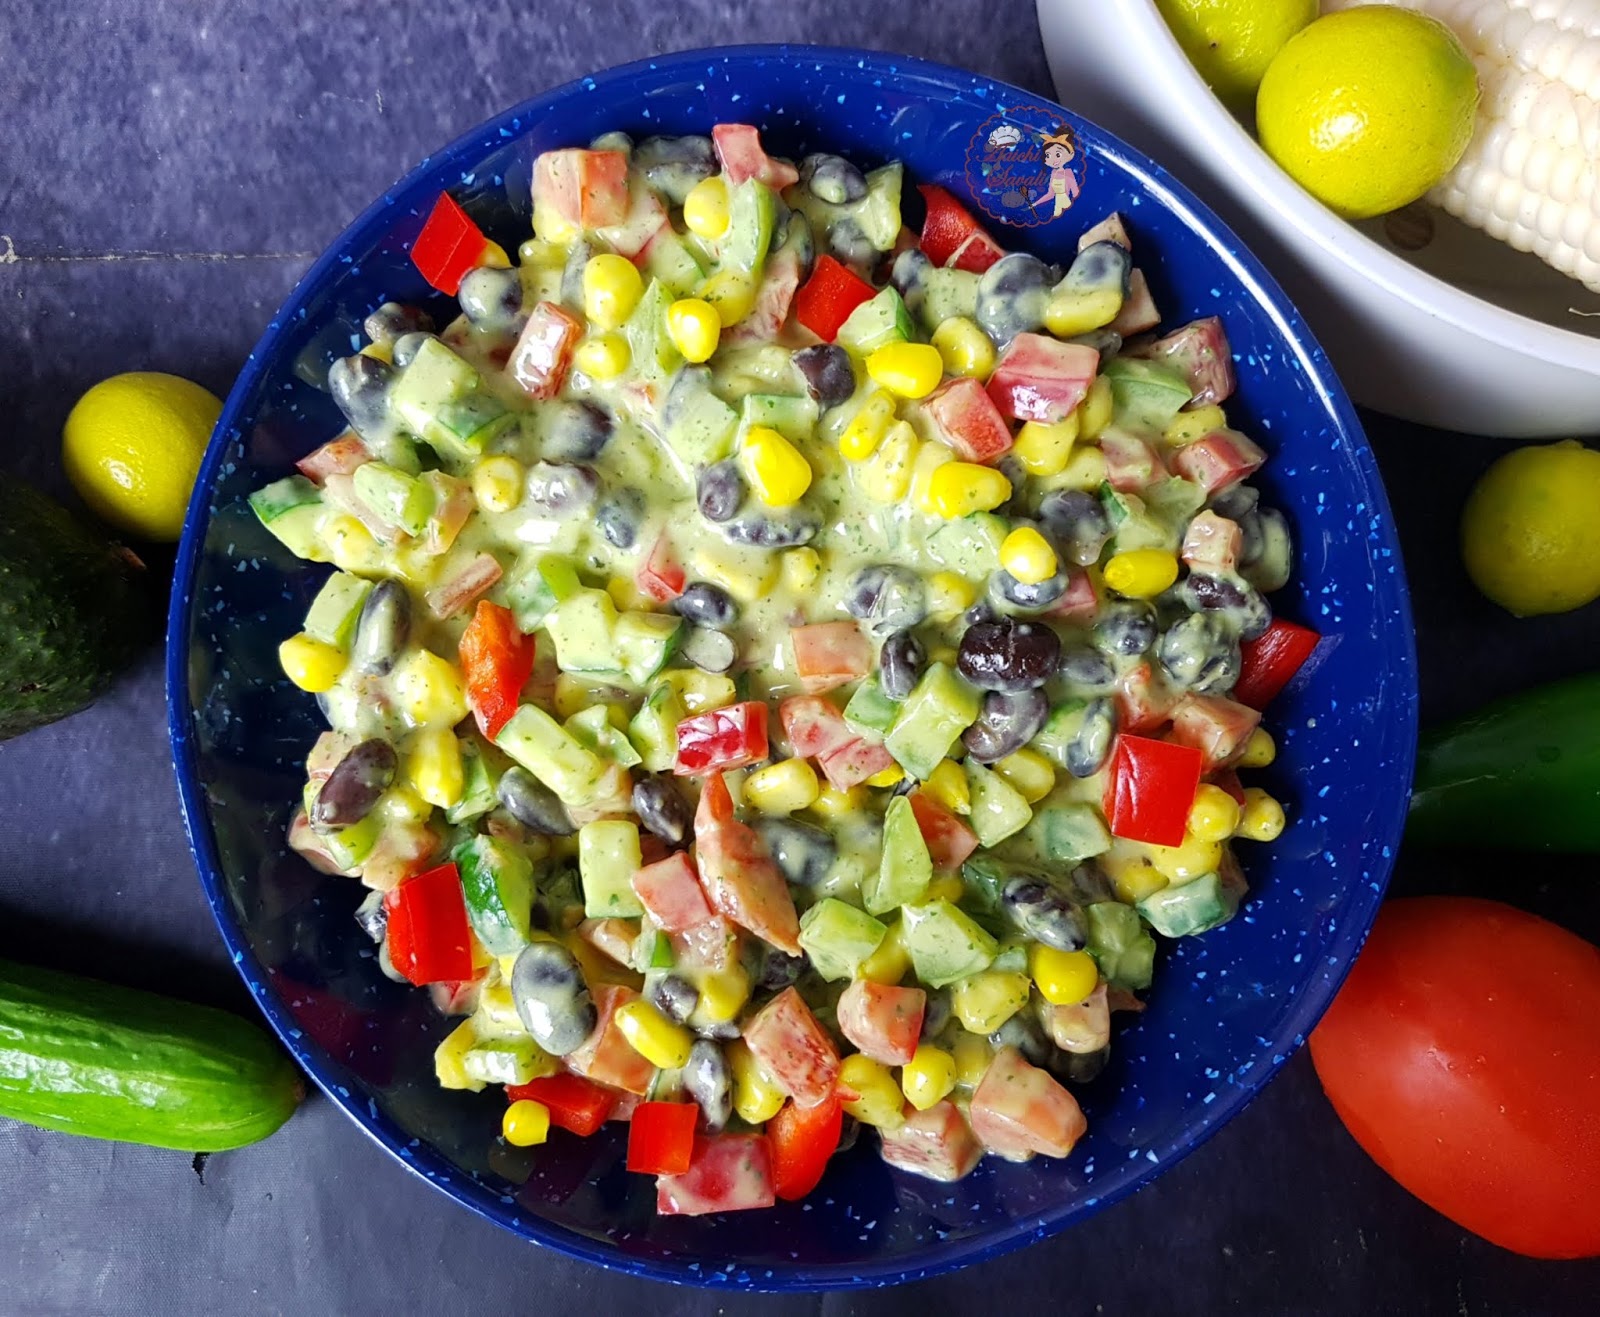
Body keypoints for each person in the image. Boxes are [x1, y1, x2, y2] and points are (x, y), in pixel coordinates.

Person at [1033, 130, 1080, 218]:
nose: (1053, 160)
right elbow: (1050, 194)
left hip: (1067, 208)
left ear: (1071, 155)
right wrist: (1035, 203)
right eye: (1048, 155)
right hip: (1057, 208)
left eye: (1058, 154)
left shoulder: (1068, 173)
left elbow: (1076, 193)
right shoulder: (1053, 173)